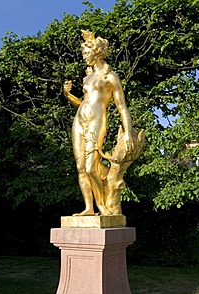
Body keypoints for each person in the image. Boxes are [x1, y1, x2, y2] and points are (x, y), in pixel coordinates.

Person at [64, 30, 133, 216]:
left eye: (87, 53)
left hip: (97, 120)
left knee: (90, 167)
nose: (84, 57)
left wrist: (128, 131)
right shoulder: (87, 77)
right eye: (83, 54)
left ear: (97, 53)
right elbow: (85, 102)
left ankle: (103, 205)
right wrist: (68, 95)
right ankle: (89, 207)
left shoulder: (109, 77)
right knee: (80, 168)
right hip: (79, 121)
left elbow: (122, 107)